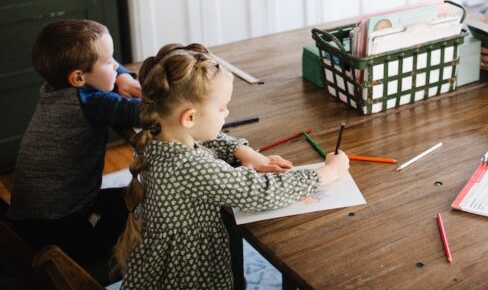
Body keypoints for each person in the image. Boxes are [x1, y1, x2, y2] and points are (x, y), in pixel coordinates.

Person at [114, 43, 350, 289]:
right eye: (221, 107)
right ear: (190, 117)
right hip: (189, 278)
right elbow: (259, 193)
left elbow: (207, 136)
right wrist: (325, 174)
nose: (227, 112)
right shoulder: (187, 165)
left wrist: (244, 152)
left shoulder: (160, 133)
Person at [8, 19, 142, 280]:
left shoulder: (55, 87)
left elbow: (104, 78)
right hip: (59, 232)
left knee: (128, 198)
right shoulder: (92, 103)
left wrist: (122, 76)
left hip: (29, 220)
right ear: (78, 77)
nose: (115, 65)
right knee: (142, 206)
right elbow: (147, 113)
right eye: (108, 62)